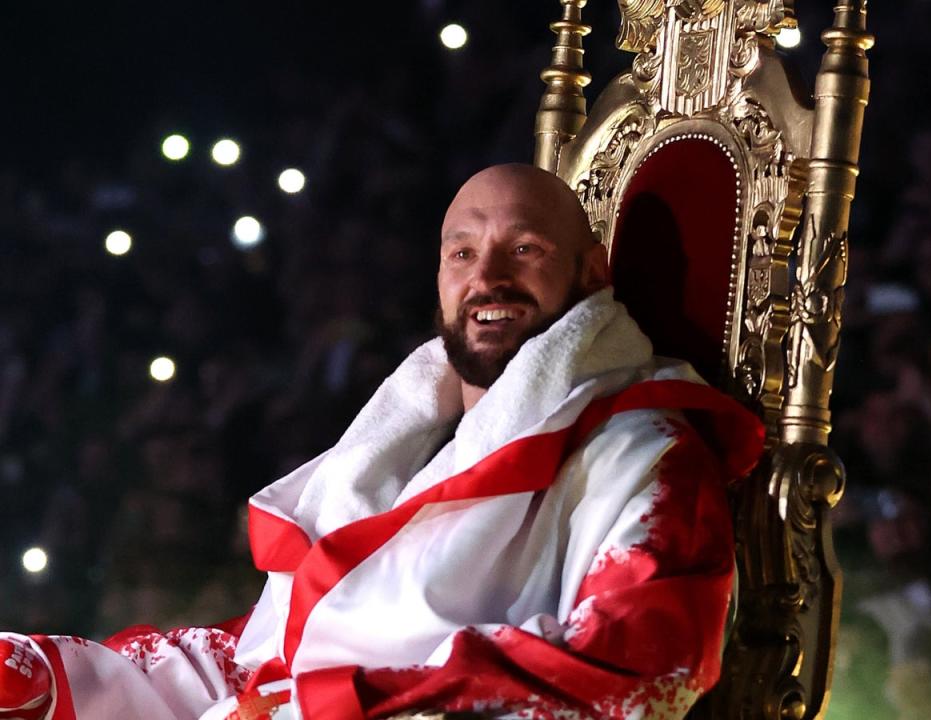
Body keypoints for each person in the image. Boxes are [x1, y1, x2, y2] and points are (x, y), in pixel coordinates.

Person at [0, 164, 763, 720]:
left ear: (591, 274)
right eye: (462, 252)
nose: (486, 276)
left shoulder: (649, 453)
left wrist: (326, 708)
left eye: (523, 248)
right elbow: (267, 663)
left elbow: (636, 667)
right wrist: (37, 672)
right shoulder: (404, 452)